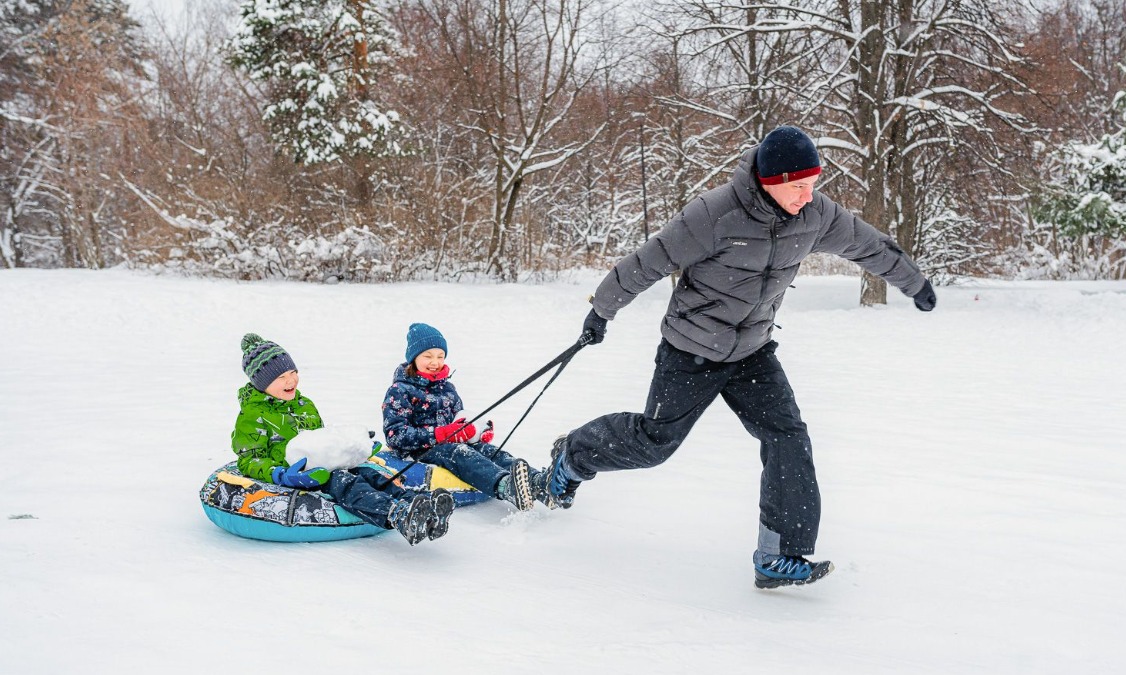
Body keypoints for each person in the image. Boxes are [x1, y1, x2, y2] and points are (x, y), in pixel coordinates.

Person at [536, 125, 938, 589]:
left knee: (788, 435)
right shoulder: (714, 214)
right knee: (654, 443)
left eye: (813, 185)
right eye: (798, 186)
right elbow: (646, 262)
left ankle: (777, 555)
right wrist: (600, 312)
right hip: (690, 350)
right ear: (769, 179)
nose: (808, 196)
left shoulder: (816, 215)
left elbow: (871, 246)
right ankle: (573, 456)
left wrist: (916, 283)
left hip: (752, 351)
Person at [231, 333, 454, 545]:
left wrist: (355, 448)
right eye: (281, 377)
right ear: (262, 383)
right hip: (298, 473)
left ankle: (418, 506)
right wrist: (279, 474)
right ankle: (397, 515)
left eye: (293, 372)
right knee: (344, 482)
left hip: (322, 463)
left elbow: (321, 437)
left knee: (368, 473)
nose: (291, 380)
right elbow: (249, 458)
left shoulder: (303, 404)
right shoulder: (252, 416)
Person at [382, 323, 553, 511]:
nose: (435, 362)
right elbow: (395, 436)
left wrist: (477, 432)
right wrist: (441, 434)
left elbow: (459, 420)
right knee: (459, 453)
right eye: (427, 356)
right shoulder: (400, 391)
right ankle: (506, 487)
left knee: (489, 451)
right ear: (414, 358)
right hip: (419, 451)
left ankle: (538, 482)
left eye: (440, 356)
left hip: (448, 444)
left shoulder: (447, 388)